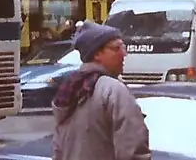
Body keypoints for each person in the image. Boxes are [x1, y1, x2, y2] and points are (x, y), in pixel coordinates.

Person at [52, 20, 151, 160]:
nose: (124, 54)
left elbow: (58, 150)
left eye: (123, 47)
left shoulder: (70, 90)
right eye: (116, 48)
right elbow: (133, 151)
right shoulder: (114, 91)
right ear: (97, 54)